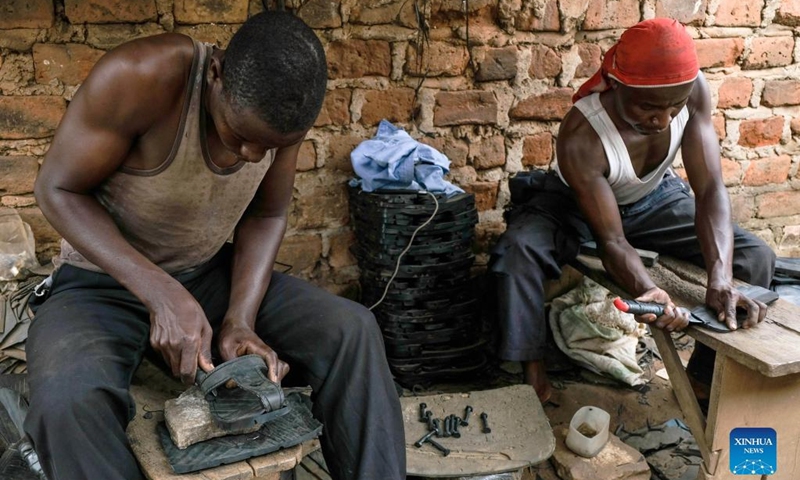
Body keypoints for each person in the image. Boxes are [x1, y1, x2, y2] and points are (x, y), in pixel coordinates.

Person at [26, 11, 406, 480]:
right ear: (216, 72)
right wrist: (162, 294)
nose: (249, 155)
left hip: (207, 276)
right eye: (242, 136)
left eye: (267, 148)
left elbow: (267, 214)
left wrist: (240, 320)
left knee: (352, 331)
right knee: (67, 402)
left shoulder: (282, 110)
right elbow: (57, 190)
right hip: (100, 283)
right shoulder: (143, 75)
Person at [490, 18, 776, 404]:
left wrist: (720, 277)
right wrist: (648, 289)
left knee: (754, 256)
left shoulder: (692, 93)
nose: (663, 121)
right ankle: (532, 378)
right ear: (617, 85)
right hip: (574, 205)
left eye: (675, 106)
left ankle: (703, 376)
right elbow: (611, 241)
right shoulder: (582, 134)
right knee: (517, 250)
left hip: (653, 198)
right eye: (648, 107)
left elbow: (709, 188)